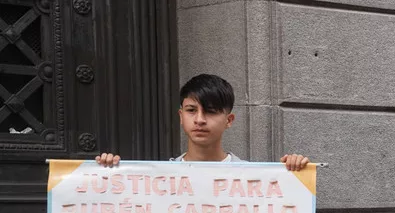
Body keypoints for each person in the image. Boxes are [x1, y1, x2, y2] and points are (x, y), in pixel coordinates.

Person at [95, 74, 309, 171]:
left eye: (211, 111)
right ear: (181, 116)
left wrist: (292, 173)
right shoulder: (159, 177)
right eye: (191, 110)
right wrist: (109, 174)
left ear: (229, 120)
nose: (199, 119)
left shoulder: (251, 176)